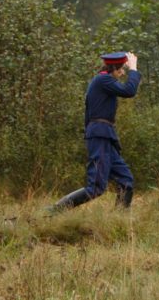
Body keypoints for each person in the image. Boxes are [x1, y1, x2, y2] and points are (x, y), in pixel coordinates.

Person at [49, 51, 141, 213]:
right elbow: (129, 91)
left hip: (105, 136)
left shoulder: (103, 81)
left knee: (125, 180)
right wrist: (134, 68)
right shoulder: (103, 79)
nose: (123, 72)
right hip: (100, 136)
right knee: (96, 187)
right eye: (122, 69)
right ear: (115, 68)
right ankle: (51, 212)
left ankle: (119, 220)